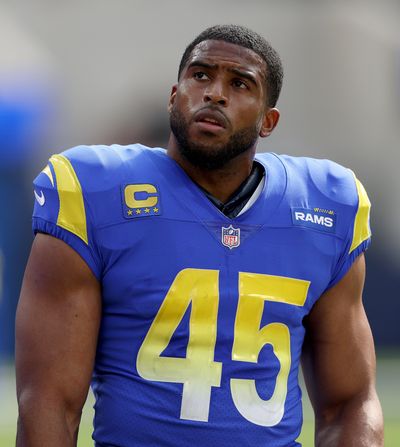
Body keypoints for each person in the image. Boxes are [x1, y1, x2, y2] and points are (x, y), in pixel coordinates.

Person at [15, 24, 384, 446]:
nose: (214, 93)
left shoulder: (325, 205)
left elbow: (350, 400)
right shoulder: (94, 192)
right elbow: (48, 400)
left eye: (240, 84)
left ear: (269, 121)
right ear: (175, 96)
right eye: (201, 75)